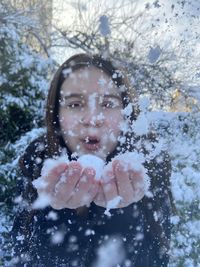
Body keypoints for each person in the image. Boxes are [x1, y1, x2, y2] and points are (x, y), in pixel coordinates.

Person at [11, 53, 173, 267]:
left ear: (125, 112)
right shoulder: (37, 165)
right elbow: (19, 256)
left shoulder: (149, 167)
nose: (92, 119)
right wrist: (60, 216)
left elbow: (159, 259)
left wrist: (121, 214)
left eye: (108, 103)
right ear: (56, 115)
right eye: (75, 104)